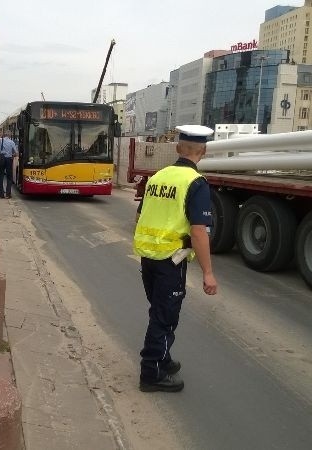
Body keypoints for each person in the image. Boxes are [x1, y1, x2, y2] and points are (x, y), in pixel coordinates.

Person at [133, 124, 218, 393]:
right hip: (171, 259)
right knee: (164, 317)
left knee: (159, 310)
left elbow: (140, 214)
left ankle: (163, 358)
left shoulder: (157, 177)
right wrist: (208, 272)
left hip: (148, 256)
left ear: (179, 148)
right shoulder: (196, 183)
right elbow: (198, 231)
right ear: (202, 152)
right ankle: (151, 373)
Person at [0, 130, 18, 199]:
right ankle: (8, 194)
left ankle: (1, 194)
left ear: (4, 135)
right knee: (9, 177)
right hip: (8, 160)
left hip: (1, 159)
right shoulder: (12, 142)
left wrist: (0, 154)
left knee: (0, 176)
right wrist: (12, 155)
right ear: (10, 135)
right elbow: (16, 153)